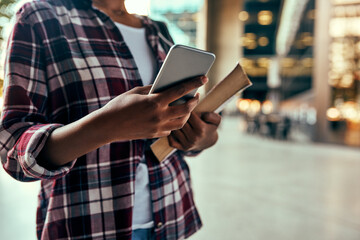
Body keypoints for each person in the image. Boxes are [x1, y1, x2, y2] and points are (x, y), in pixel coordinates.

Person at [0, 0, 221, 239]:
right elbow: (13, 149)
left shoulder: (157, 30)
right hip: (88, 225)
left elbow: (171, 126)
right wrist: (106, 126)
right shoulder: (40, 18)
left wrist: (198, 139)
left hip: (171, 216)